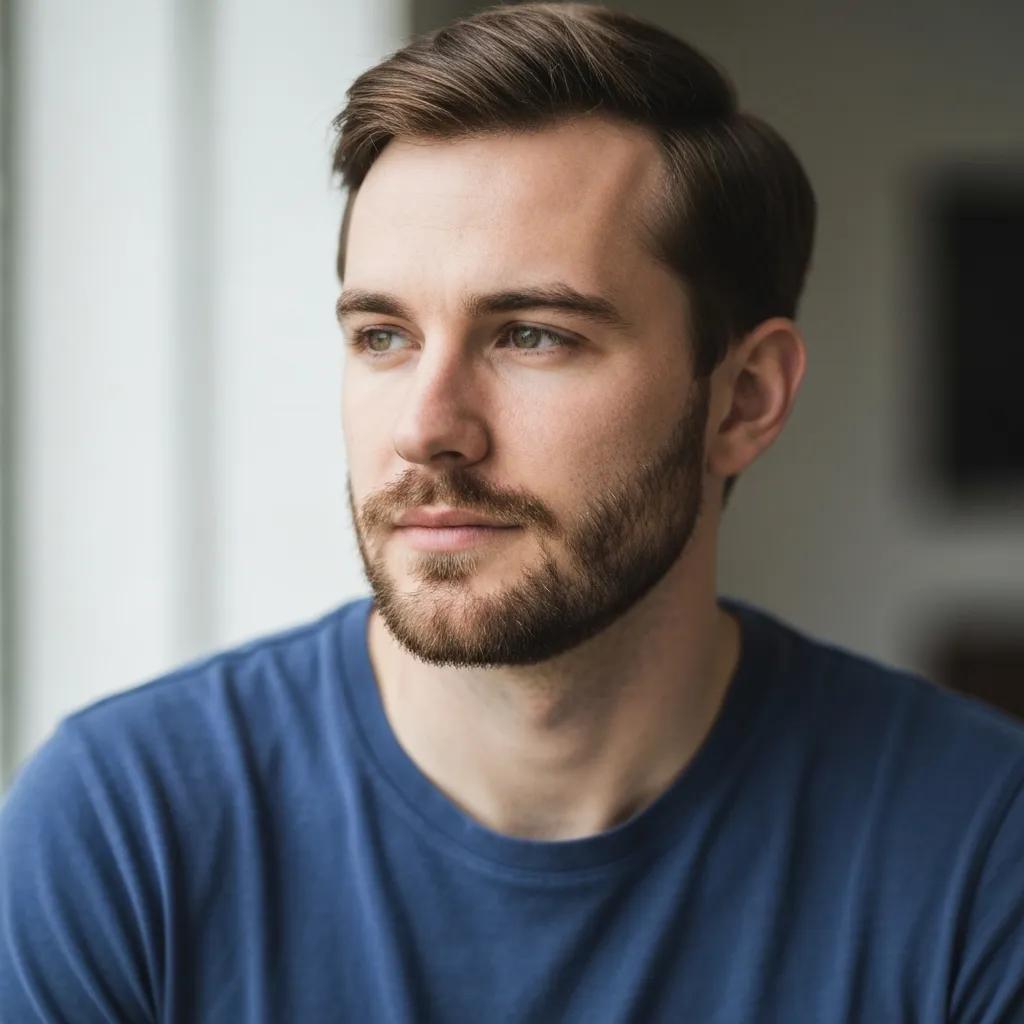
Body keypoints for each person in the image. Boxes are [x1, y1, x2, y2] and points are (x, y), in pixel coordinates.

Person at [2, 4, 1023, 1021]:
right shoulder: (125, 828)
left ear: (743, 399)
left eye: (532, 335)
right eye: (383, 337)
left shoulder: (979, 845)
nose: (426, 428)